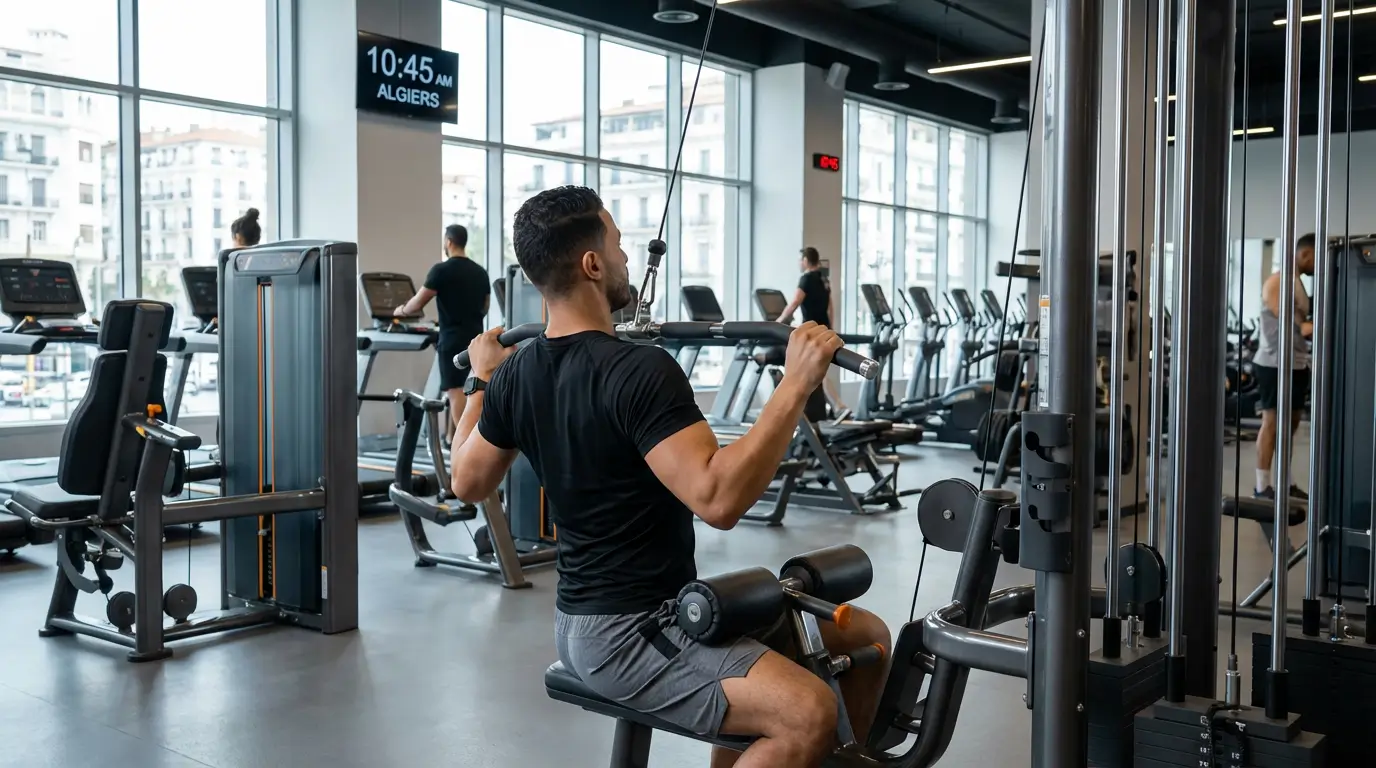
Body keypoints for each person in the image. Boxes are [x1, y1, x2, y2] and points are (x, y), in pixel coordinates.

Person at [448, 186, 890, 768]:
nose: (628, 259)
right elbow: (719, 498)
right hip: (621, 633)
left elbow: (465, 479)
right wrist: (795, 384)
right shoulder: (639, 371)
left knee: (866, 638)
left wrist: (481, 379)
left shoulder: (516, 372)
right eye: (619, 245)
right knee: (805, 712)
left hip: (656, 607)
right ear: (592, 264)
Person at [393, 224, 491, 443]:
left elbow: (417, 304)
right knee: (470, 390)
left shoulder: (441, 271)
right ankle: (451, 438)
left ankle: (467, 444)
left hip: (451, 340)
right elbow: (485, 306)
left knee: (455, 392)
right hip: (475, 338)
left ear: (448, 242)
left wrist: (400, 311)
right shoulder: (480, 272)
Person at [1252, 233, 1316, 501]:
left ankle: (1285, 482)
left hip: (1297, 363)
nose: (1318, 265)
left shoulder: (1298, 283)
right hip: (1274, 364)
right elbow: (1284, 313)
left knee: (1291, 424)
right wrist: (1307, 326)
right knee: (1272, 422)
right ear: (1304, 254)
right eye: (1316, 259)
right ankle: (1262, 486)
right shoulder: (1278, 282)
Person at [778, 246, 846, 412]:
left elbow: (795, 302)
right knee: (818, 370)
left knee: (817, 372)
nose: (800, 264)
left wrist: (779, 321)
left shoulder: (806, 279)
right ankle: (835, 406)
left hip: (811, 330)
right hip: (824, 329)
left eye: (801, 260)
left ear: (806, 260)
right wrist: (831, 327)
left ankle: (838, 406)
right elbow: (830, 306)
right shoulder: (824, 279)